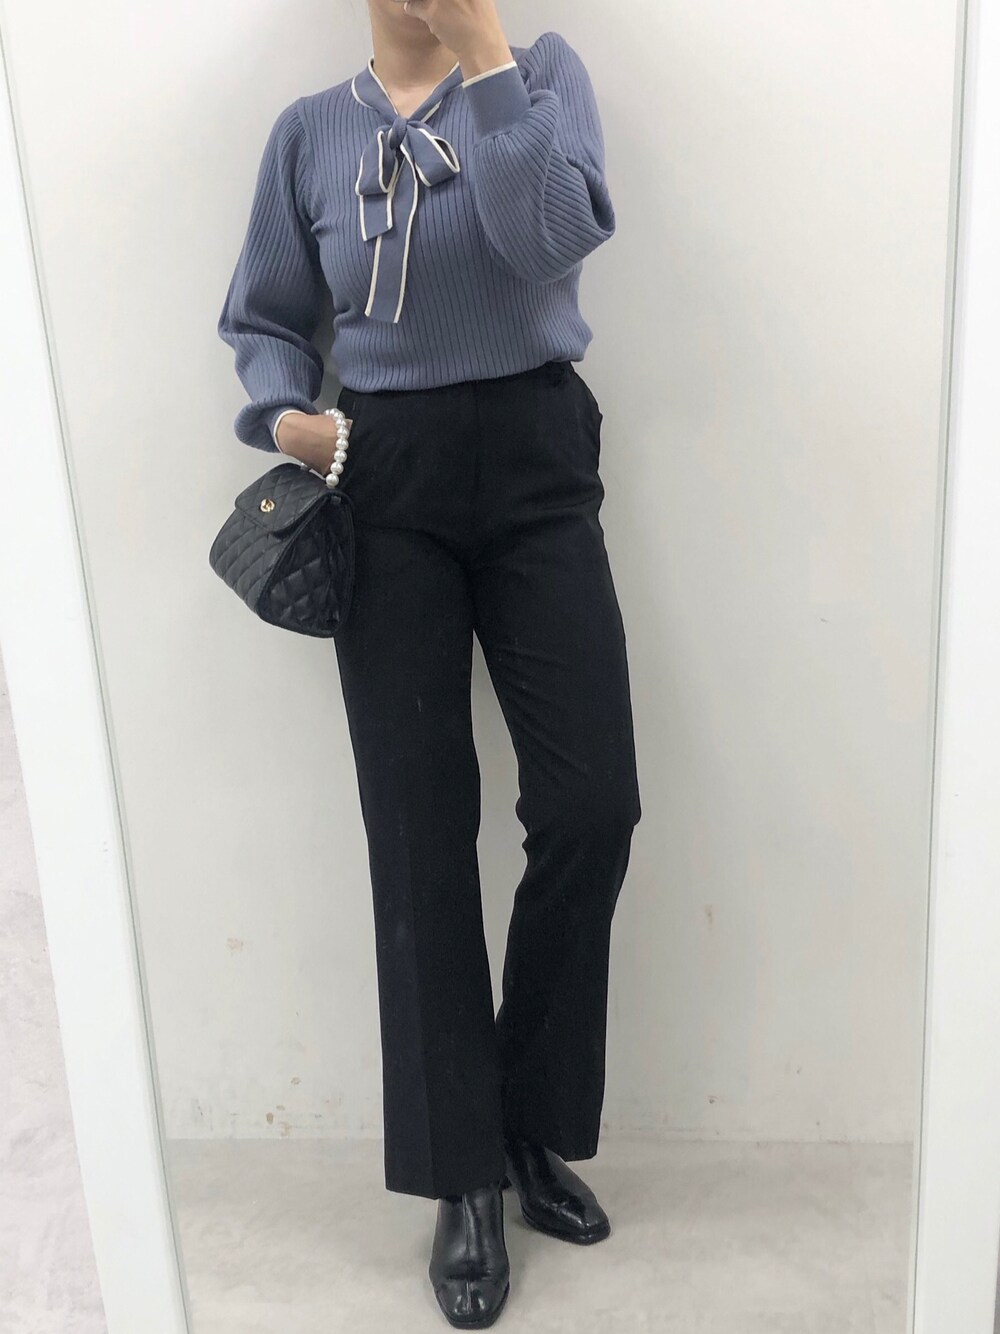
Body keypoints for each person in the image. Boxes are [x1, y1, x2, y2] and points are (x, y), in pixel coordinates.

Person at [217, 0, 642, 1325]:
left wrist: (485, 57)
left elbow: (548, 238)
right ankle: (461, 1173)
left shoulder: (543, 77)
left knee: (591, 803)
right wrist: (289, 420)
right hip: (382, 467)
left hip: (536, 459)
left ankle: (527, 1123)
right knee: (416, 826)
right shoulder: (309, 133)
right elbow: (263, 314)